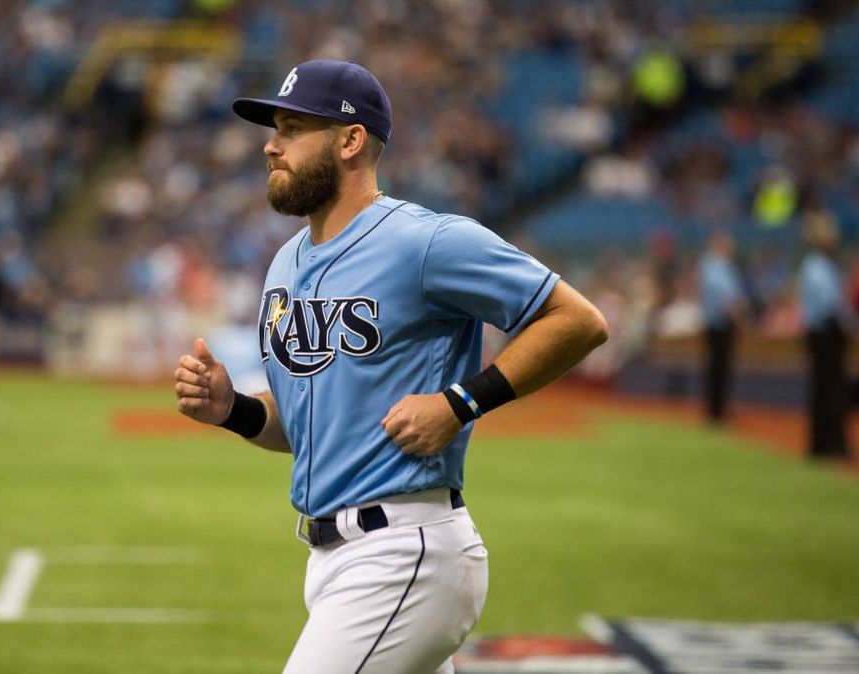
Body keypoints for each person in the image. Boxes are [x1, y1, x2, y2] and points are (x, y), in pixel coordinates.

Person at [173, 60, 608, 674]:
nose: (271, 144)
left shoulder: (425, 242)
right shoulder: (284, 265)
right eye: (275, 128)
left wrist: (462, 402)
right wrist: (233, 410)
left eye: (293, 128)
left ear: (350, 140)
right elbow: (305, 432)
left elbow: (577, 319)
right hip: (331, 560)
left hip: (405, 552)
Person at [799, 215, 851, 459]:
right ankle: (827, 444)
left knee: (827, 389)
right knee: (828, 390)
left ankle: (826, 443)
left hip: (825, 332)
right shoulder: (817, 266)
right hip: (825, 333)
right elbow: (830, 304)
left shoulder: (820, 266)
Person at [698, 229, 747, 423]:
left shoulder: (724, 267)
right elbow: (727, 300)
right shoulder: (712, 267)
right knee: (717, 369)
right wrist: (739, 319)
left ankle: (719, 409)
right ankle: (715, 411)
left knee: (722, 369)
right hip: (718, 325)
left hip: (723, 325)